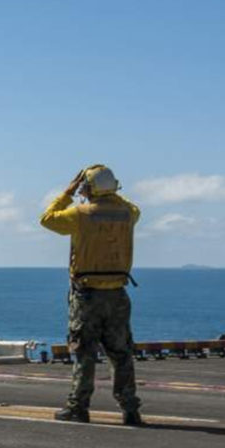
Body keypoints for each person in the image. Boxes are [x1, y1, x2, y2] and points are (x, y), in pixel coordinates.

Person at [40, 164, 144, 426]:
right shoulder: (128, 213)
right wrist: (110, 193)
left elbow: (48, 219)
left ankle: (79, 407)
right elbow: (131, 206)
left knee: (84, 352)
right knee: (121, 354)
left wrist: (68, 192)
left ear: (88, 188)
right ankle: (130, 409)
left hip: (87, 296)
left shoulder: (81, 214)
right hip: (118, 294)